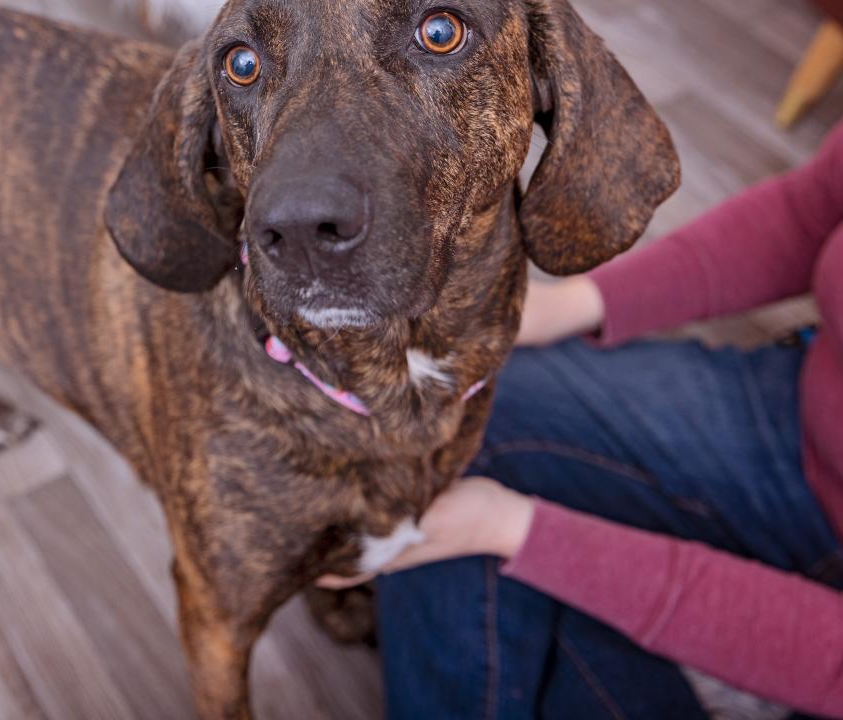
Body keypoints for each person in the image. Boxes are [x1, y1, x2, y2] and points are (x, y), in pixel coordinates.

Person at [324, 121, 843, 718]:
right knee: (449, 415)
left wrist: (515, 531)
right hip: (794, 405)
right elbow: (806, 215)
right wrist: (563, 307)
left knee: (492, 565)